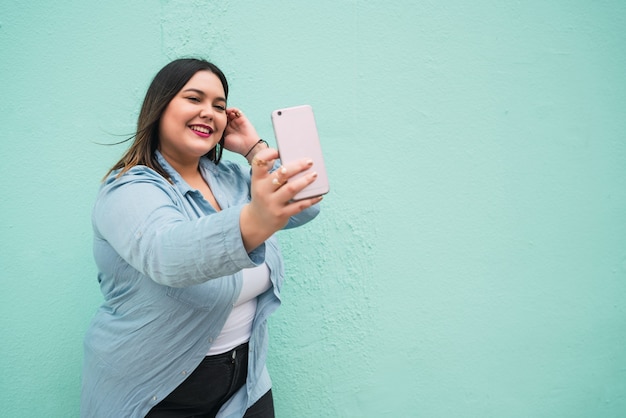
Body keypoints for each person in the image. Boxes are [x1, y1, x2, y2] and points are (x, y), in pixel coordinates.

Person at [81, 58, 322, 418]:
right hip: (157, 392)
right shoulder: (127, 189)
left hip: (245, 383)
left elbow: (304, 207)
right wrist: (254, 220)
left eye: (219, 106)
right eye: (194, 99)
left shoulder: (229, 177)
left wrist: (255, 148)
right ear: (159, 108)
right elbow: (167, 255)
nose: (209, 112)